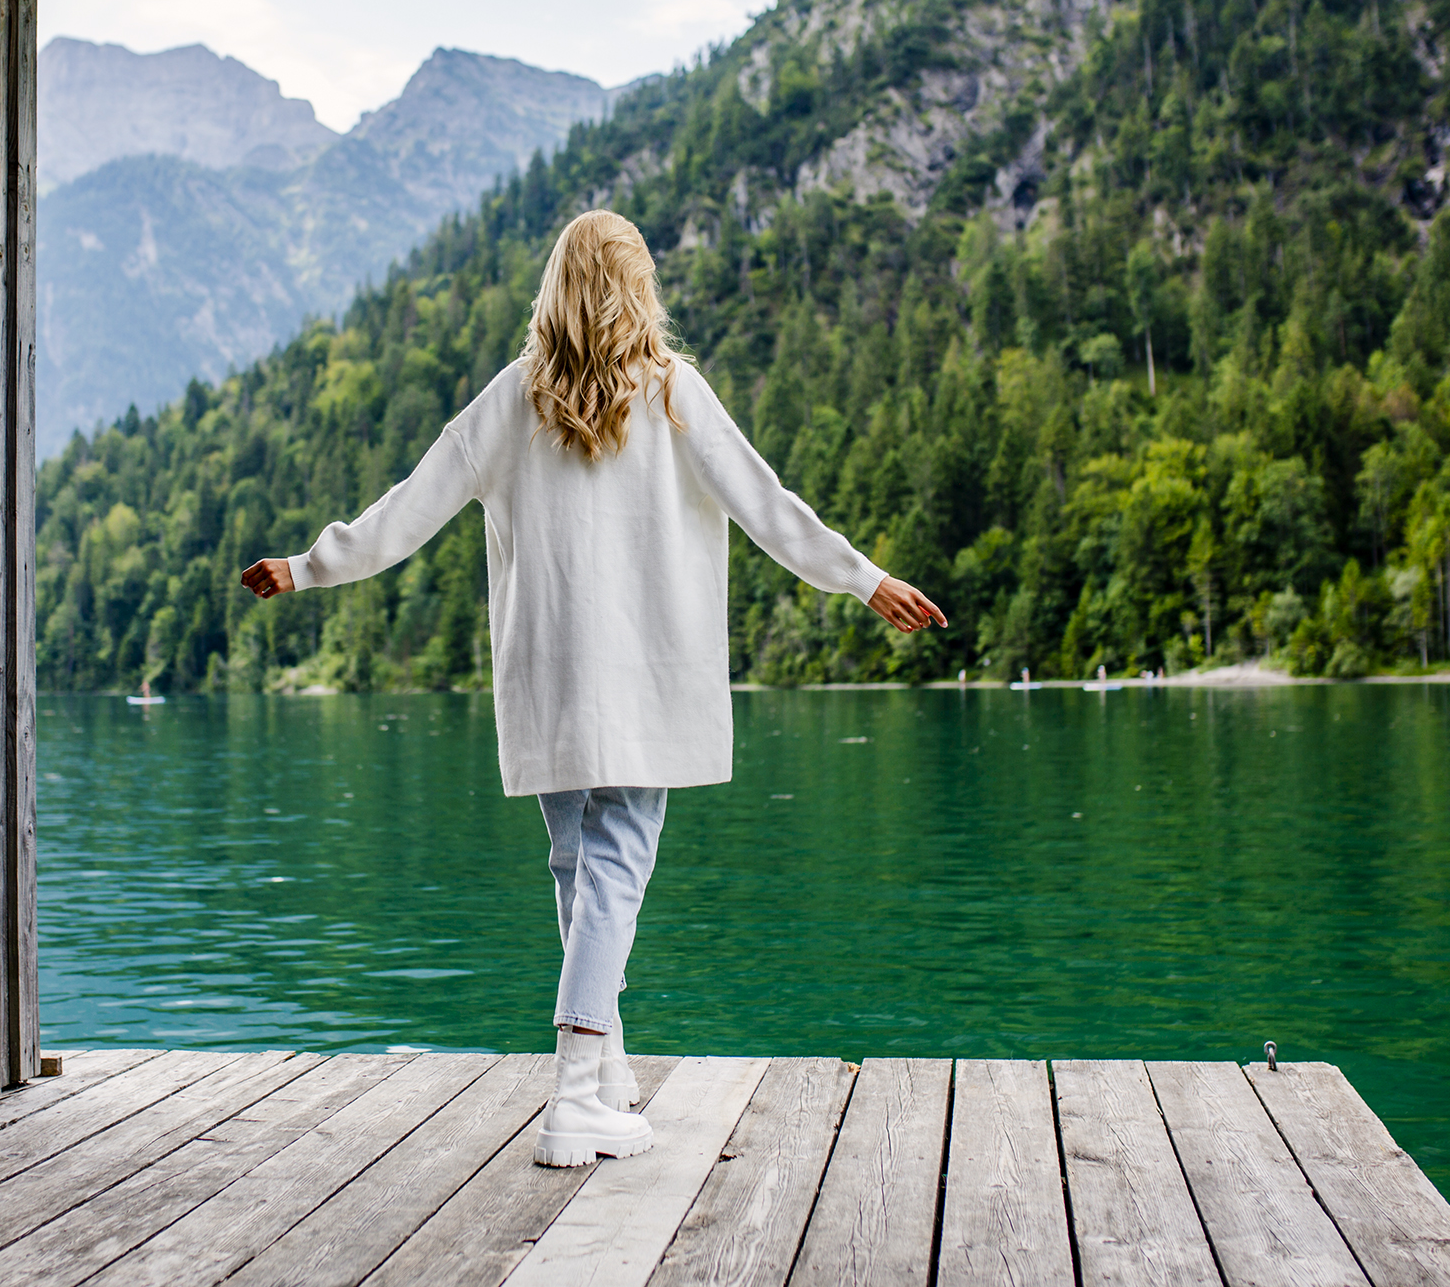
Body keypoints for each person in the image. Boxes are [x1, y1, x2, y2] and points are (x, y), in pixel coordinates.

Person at [241, 209, 946, 1167]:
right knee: (616, 864)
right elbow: (769, 506)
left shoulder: (511, 401)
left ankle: (606, 1069)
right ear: (638, 288)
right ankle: (575, 1091)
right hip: (646, 674)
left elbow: (409, 506)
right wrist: (865, 578)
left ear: (556, 291)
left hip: (547, 678)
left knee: (581, 867)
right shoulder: (673, 394)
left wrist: (308, 565)